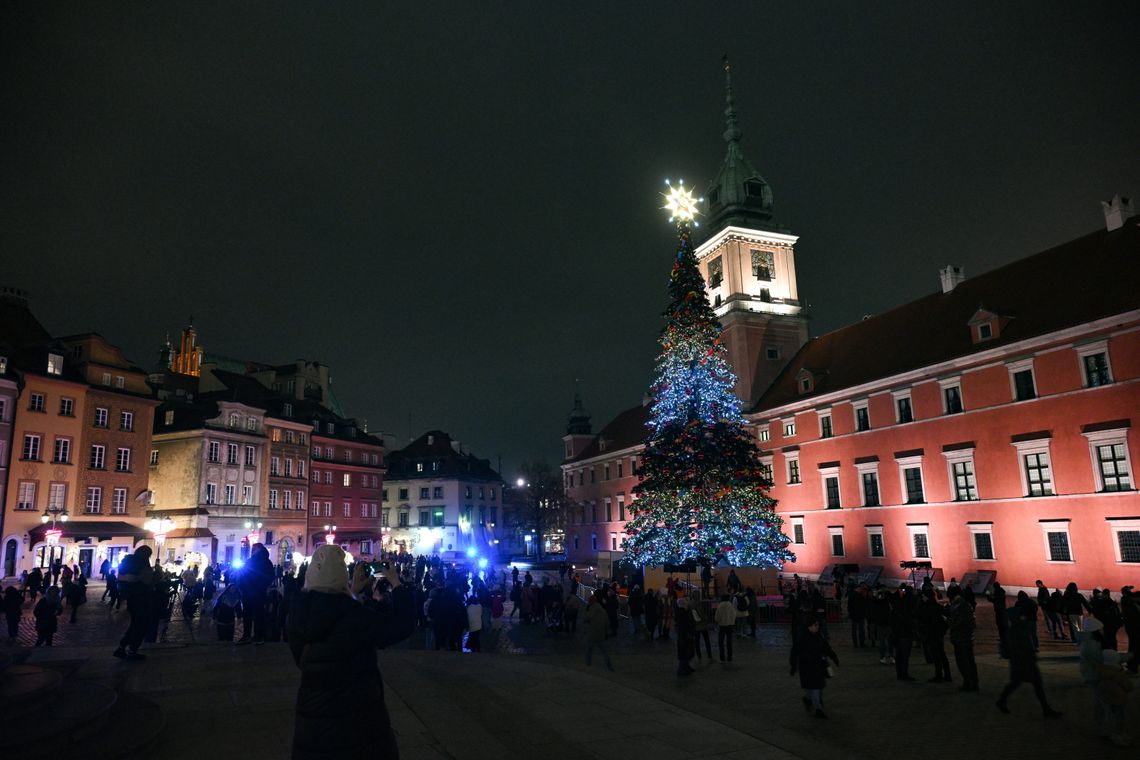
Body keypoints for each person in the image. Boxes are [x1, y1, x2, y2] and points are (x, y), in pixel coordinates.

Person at [288, 544, 414, 760]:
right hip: (357, 725)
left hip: (313, 725)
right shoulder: (356, 617)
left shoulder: (297, 613)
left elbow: (328, 615)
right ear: (341, 575)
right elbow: (402, 626)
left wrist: (352, 591)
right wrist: (396, 583)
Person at [995, 603, 1062, 718]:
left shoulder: (1017, 625)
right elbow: (1021, 645)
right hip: (1024, 661)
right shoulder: (1018, 628)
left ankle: (1002, 700)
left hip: (1020, 661)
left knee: (1018, 683)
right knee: (1033, 684)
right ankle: (1045, 709)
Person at [790, 615, 839, 719]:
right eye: (815, 625)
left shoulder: (819, 636)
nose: (817, 627)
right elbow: (794, 652)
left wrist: (834, 657)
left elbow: (826, 647)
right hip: (807, 667)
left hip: (818, 665)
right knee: (814, 688)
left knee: (817, 688)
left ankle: (808, 700)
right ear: (809, 626)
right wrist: (793, 665)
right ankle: (818, 709)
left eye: (817, 625)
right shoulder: (802, 638)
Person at [114, 545, 155, 661]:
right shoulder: (141, 564)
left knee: (134, 624)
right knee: (140, 625)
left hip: (131, 599)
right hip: (142, 598)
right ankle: (132, 650)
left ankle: (122, 647)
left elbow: (122, 578)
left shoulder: (128, 562)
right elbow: (147, 580)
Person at [237, 543, 274, 645]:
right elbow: (243, 573)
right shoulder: (256, 561)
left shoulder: (265, 562)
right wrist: (242, 585)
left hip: (256, 591)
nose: (252, 550)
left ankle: (256, 636)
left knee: (257, 614)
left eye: (254, 548)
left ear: (259, 549)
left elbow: (269, 577)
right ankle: (249, 635)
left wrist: (259, 586)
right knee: (249, 614)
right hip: (250, 591)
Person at [1098, 650, 1133, 746]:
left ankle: (1108, 732)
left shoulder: (1101, 671)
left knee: (1109, 716)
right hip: (1119, 699)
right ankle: (1118, 735)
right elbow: (1128, 686)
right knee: (1120, 718)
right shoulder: (1118, 673)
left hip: (1107, 699)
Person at [947, 585, 978, 691]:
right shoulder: (966, 604)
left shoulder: (957, 605)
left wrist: (946, 620)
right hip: (968, 637)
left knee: (963, 662)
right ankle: (974, 683)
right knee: (970, 661)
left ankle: (968, 684)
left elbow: (954, 622)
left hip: (960, 638)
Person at [584, 594, 614, 671]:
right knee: (604, 651)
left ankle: (588, 664)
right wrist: (606, 632)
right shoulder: (603, 610)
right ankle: (609, 665)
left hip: (592, 633)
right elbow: (607, 623)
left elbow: (586, 619)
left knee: (589, 650)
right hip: (601, 633)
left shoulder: (591, 610)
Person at [674, 597, 696, 676]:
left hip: (685, 635)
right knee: (684, 653)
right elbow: (685, 625)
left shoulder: (683, 612)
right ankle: (681, 669)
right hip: (684, 636)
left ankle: (686, 667)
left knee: (686, 652)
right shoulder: (682, 613)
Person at [714, 593, 737, 663]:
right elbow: (734, 614)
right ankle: (729, 657)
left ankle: (722, 658)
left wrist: (717, 621)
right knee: (729, 642)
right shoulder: (731, 605)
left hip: (722, 625)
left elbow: (717, 616)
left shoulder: (720, 605)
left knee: (721, 641)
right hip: (730, 625)